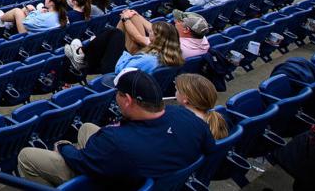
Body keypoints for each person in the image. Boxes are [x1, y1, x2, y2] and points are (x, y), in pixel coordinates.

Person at [16, 68, 214, 188]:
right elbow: (210, 149)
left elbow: (78, 159)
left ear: (127, 100)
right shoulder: (188, 118)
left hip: (114, 181)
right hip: (142, 171)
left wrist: (63, 145)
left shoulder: (116, 142)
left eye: (118, 93)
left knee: (27, 155)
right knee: (86, 128)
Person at [174, 73, 229, 139]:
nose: (175, 93)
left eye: (177, 90)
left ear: (185, 99)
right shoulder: (220, 117)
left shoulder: (182, 126)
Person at [0, 0, 70, 34]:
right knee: (30, 6)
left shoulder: (45, 16)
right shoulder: (62, 15)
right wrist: (35, 12)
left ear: (52, 3)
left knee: (17, 11)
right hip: (39, 32)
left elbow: (26, 23)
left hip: (27, 34)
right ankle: (8, 23)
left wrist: (35, 13)